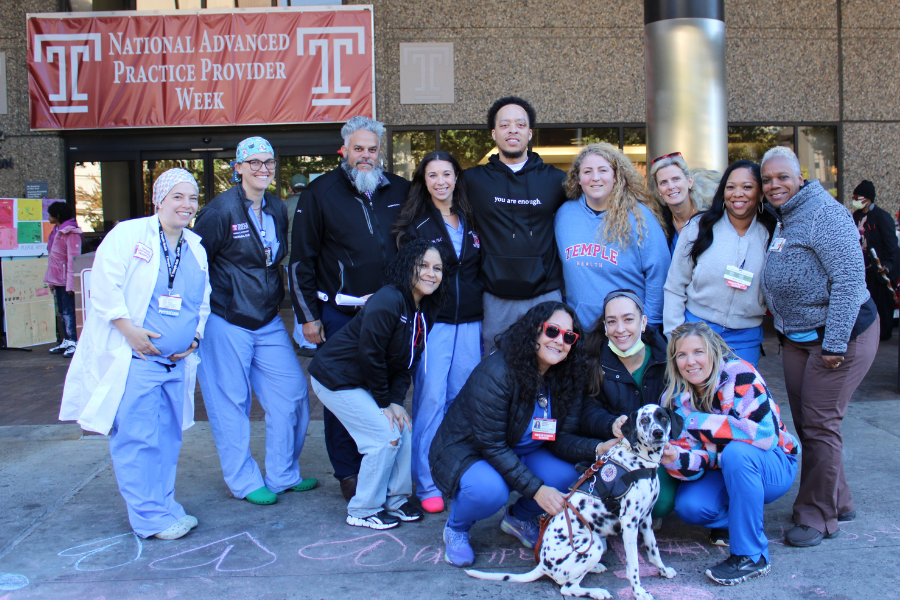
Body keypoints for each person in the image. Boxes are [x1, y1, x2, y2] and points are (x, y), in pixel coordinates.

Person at [60, 168, 211, 540]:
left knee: (167, 438)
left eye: (192, 198)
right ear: (159, 200)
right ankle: (149, 518)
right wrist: (128, 329)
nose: (186, 205)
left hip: (174, 363)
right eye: (177, 196)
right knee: (137, 439)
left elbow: (201, 300)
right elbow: (104, 286)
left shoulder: (194, 245)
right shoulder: (129, 234)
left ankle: (165, 507)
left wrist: (194, 337)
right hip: (136, 360)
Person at [760, 146, 878, 547]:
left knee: (820, 424)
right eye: (767, 180)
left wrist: (835, 344)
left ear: (800, 179)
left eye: (782, 177)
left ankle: (817, 517)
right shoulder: (784, 215)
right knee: (810, 423)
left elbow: (849, 281)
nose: (774, 185)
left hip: (838, 337)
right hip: (796, 337)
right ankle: (839, 499)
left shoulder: (825, 214)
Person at [430, 301, 605, 568]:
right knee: (490, 491)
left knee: (571, 474)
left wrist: (598, 449)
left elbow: (562, 438)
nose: (560, 341)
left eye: (569, 336)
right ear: (534, 330)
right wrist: (537, 490)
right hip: (470, 451)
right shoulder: (498, 371)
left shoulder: (566, 375)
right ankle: (457, 528)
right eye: (552, 331)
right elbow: (491, 445)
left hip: (522, 449)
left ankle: (518, 519)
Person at [290, 116, 410, 501]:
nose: (366, 156)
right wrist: (308, 316)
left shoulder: (401, 190)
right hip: (340, 315)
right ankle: (348, 471)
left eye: (372, 149)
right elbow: (300, 261)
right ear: (344, 149)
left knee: (384, 391)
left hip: (389, 315)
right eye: (358, 148)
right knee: (342, 394)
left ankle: (383, 463)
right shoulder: (320, 192)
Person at [193, 136, 315, 506]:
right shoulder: (219, 212)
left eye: (269, 162)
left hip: (267, 319)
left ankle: (282, 474)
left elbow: (274, 260)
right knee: (231, 402)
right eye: (255, 162)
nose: (264, 169)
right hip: (226, 319)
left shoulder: (277, 208)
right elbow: (197, 266)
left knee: (293, 393)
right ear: (239, 167)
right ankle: (243, 481)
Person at [308, 239, 445, 530]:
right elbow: (370, 355)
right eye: (423, 265)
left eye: (437, 268)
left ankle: (395, 501)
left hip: (361, 381)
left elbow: (407, 362)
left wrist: (396, 402)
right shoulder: (389, 298)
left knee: (402, 426)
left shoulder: (424, 309)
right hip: (335, 378)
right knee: (384, 436)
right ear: (408, 266)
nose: (431, 273)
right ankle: (363, 509)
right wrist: (385, 403)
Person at [661, 321, 799, 586]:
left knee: (737, 452)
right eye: (682, 354)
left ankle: (751, 555)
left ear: (713, 352)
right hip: (722, 466)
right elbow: (700, 461)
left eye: (698, 352)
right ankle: (743, 519)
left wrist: (697, 422)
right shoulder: (675, 399)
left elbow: (765, 435)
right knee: (691, 507)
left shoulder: (740, 375)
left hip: (774, 462)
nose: (691, 362)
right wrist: (674, 458)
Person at [392, 151, 483, 514]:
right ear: (424, 181)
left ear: (456, 178)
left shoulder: (470, 219)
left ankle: (453, 473)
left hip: (471, 322)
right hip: (435, 323)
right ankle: (426, 480)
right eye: (433, 175)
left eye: (447, 174)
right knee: (430, 401)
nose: (441, 181)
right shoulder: (416, 225)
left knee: (461, 401)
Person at [464, 96, 567, 355]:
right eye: (505, 124)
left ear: (530, 133)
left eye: (520, 125)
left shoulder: (556, 179)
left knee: (551, 364)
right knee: (496, 366)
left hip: (545, 293)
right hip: (496, 297)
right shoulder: (473, 180)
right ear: (494, 133)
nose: (513, 130)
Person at [663, 160, 776, 366]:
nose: (737, 193)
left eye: (747, 187)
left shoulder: (772, 235)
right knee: (697, 397)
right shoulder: (699, 227)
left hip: (745, 338)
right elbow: (675, 286)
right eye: (730, 187)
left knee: (738, 396)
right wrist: (674, 335)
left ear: (761, 194)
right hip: (696, 331)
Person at [580, 289, 676, 518]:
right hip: (617, 447)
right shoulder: (593, 359)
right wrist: (610, 423)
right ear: (604, 327)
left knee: (659, 505)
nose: (620, 329)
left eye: (628, 319)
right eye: (611, 321)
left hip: (658, 448)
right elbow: (586, 409)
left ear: (643, 322)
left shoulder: (666, 358)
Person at [555, 143, 670, 329]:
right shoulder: (564, 216)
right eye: (587, 172)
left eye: (603, 170)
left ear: (616, 176)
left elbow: (659, 273)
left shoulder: (640, 217)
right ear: (577, 178)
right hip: (580, 330)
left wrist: (651, 324)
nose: (595, 178)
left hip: (627, 331)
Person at [851, 179, 898, 341]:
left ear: (868, 199)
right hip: (862, 270)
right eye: (854, 196)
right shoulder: (855, 216)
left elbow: (892, 245)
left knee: (882, 305)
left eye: (858, 196)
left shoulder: (882, 217)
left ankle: (883, 333)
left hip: (878, 270)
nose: (854, 199)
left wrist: (888, 265)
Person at [649, 152, 715, 254]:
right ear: (658, 190)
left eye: (676, 179)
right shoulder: (659, 222)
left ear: (690, 181)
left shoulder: (711, 216)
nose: (671, 186)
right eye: (663, 182)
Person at [281, 173, 316, 355]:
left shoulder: (284, 205)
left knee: (299, 300)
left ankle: (306, 341)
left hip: (290, 258)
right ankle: (301, 337)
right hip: (312, 257)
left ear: (290, 188)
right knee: (308, 297)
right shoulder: (315, 200)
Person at [44, 201, 83, 358]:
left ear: (57, 215)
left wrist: (71, 283)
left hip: (66, 280)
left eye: (51, 214)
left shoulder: (70, 232)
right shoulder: (56, 231)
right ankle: (67, 340)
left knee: (68, 311)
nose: (49, 217)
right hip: (58, 279)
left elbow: (73, 258)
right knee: (62, 310)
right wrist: (52, 281)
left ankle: (73, 340)